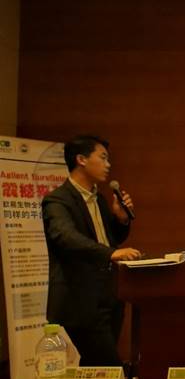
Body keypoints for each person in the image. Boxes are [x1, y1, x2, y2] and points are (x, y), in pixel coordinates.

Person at [42, 135, 141, 366]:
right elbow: (65, 237)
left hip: (109, 295)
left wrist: (121, 219)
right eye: (103, 158)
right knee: (109, 365)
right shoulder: (57, 201)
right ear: (81, 160)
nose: (108, 165)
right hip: (79, 300)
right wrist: (110, 253)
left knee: (96, 368)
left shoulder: (99, 200)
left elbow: (110, 239)